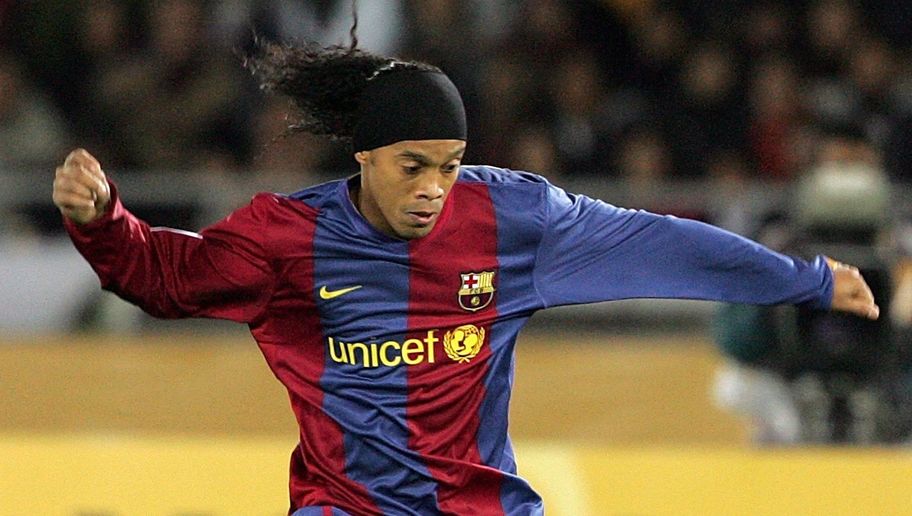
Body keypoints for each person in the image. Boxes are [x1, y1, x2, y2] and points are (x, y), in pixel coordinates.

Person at [52, 41, 880, 516]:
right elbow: (167, 277)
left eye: (449, 168)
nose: (432, 191)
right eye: (412, 168)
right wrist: (103, 222)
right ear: (364, 156)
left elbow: (659, 243)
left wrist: (804, 280)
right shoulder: (286, 239)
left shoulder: (511, 219)